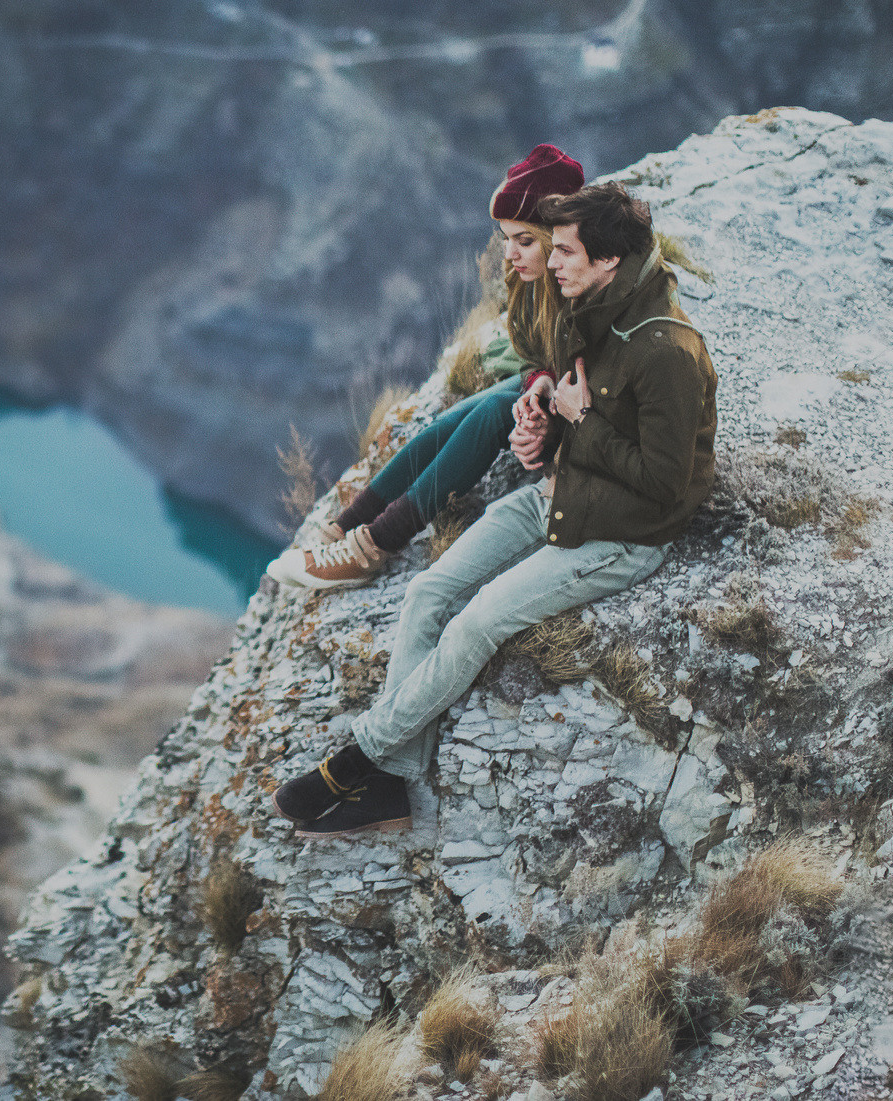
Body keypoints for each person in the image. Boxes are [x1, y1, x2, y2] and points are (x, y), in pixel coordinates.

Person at [269, 182, 717, 838]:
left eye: (566, 250)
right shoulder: (578, 312)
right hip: (558, 496)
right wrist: (542, 433)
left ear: (609, 262)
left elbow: (664, 484)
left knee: (476, 622)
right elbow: (565, 416)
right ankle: (392, 787)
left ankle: (357, 760)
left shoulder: (669, 352)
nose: (551, 261)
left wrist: (581, 419)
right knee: (427, 593)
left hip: (627, 532)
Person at [267, 143, 584, 590]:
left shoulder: (583, 286)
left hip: (586, 430)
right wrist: (539, 382)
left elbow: (593, 395)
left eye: (525, 240)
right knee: (446, 424)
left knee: (492, 415)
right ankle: (342, 529)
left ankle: (372, 547)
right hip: (553, 397)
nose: (510, 254)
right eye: (506, 239)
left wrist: (544, 420)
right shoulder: (536, 279)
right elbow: (540, 355)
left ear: (559, 235)